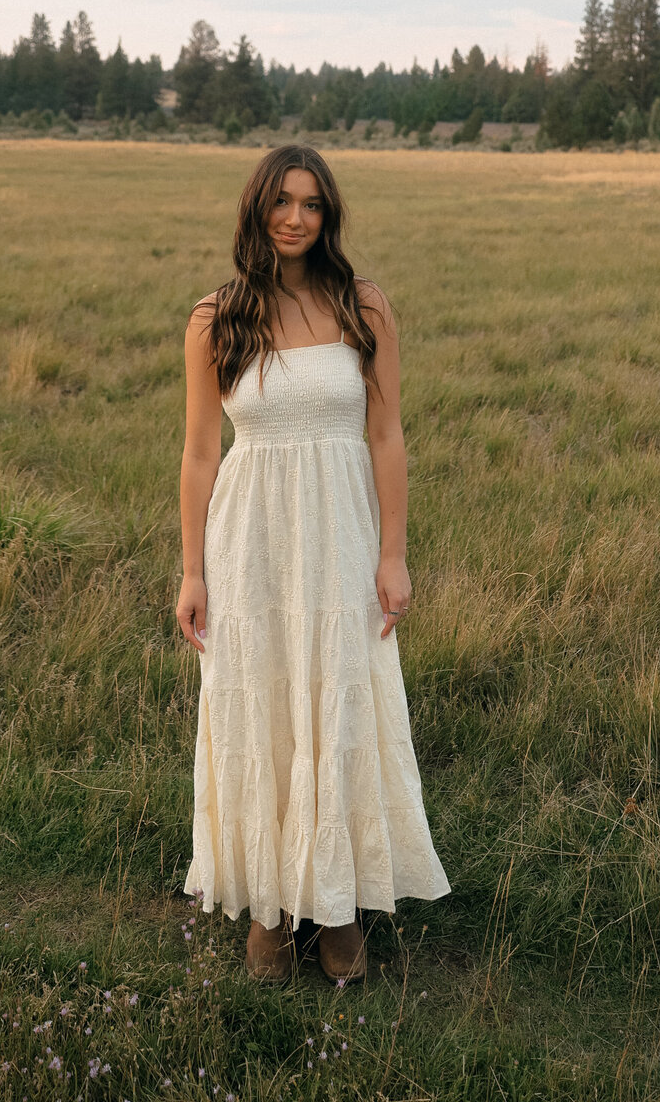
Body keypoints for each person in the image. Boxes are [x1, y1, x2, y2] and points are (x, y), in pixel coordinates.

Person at [176, 145, 450, 983]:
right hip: (251, 539)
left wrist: (394, 553)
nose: (296, 218)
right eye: (282, 202)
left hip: (340, 534)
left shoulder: (364, 306)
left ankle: (335, 910)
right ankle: (269, 909)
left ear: (329, 216)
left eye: (313, 204)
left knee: (337, 705)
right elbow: (197, 453)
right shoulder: (215, 318)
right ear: (256, 210)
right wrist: (193, 572)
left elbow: (387, 434)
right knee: (261, 703)